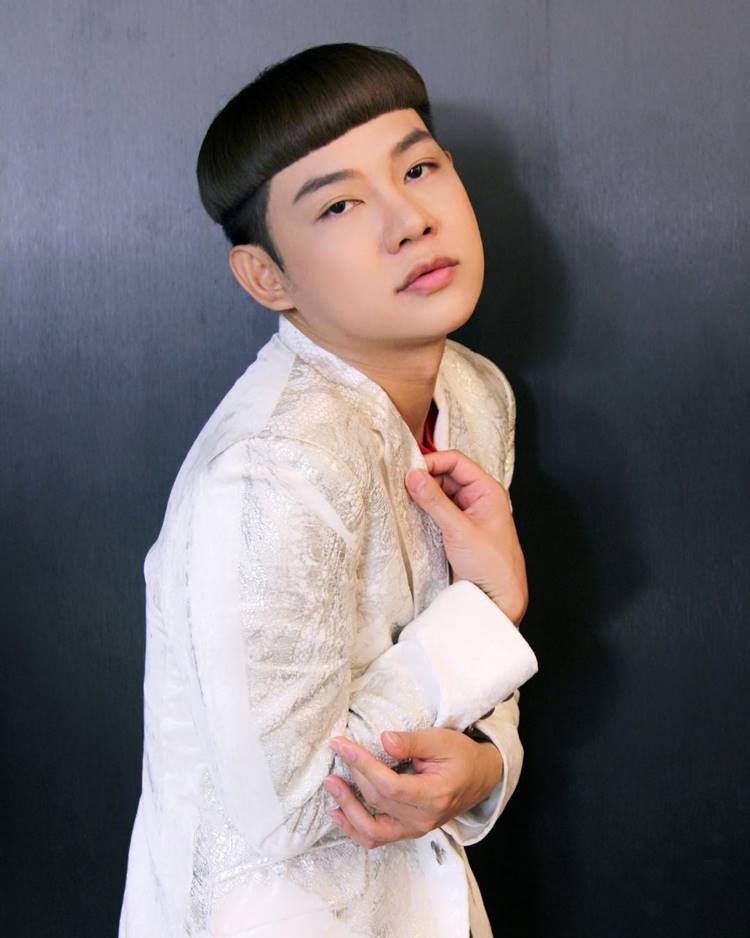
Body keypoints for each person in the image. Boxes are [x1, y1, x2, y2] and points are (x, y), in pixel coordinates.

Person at [119, 41, 539, 938]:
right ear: (266, 276)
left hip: (429, 903)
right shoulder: (268, 470)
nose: (409, 220)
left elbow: (477, 698)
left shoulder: (476, 393)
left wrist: (484, 768)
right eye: (340, 204)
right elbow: (292, 808)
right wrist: (491, 609)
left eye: (418, 168)